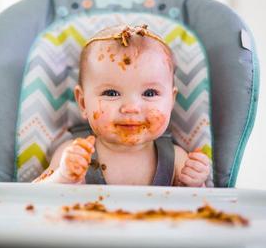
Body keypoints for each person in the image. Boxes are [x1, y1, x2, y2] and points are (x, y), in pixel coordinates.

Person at [33, 25, 211, 187]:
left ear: (171, 101)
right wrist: (62, 178)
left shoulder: (177, 160)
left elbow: (201, 211)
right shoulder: (74, 155)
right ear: (83, 103)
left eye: (149, 93)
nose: (131, 107)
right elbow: (34, 198)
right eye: (111, 93)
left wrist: (194, 184)